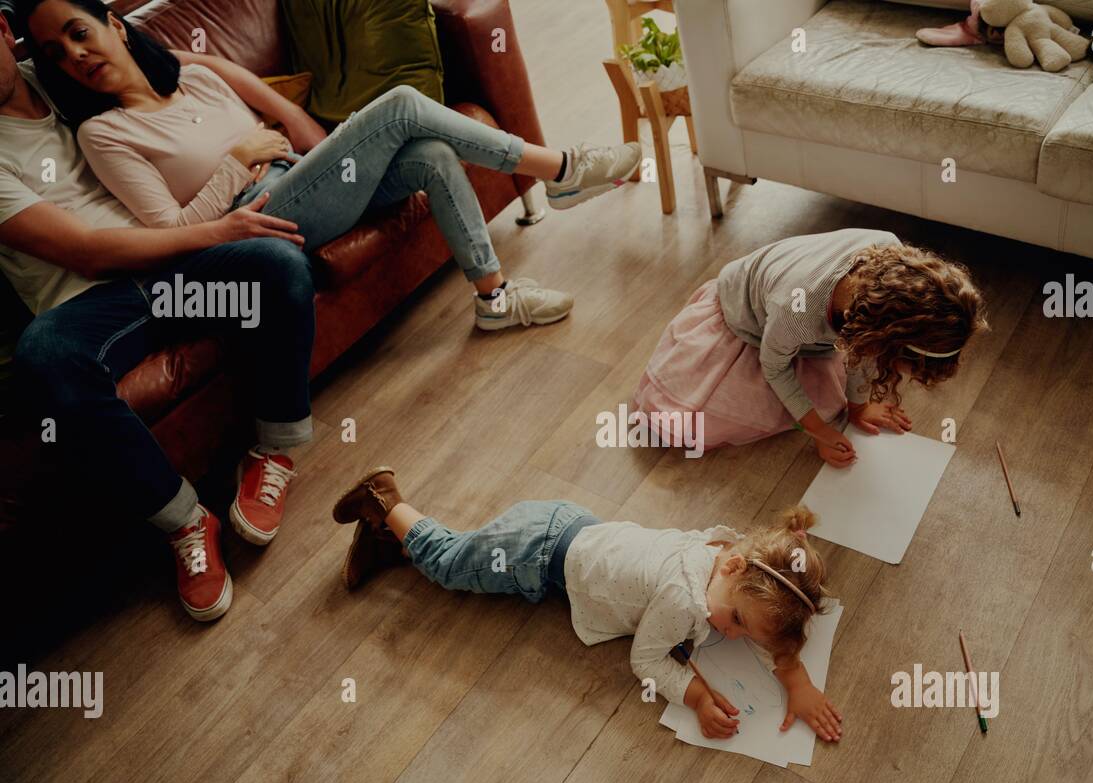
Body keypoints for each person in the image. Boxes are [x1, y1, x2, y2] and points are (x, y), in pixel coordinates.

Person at [21, 0, 643, 332]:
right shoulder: (105, 132)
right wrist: (235, 163)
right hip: (258, 220)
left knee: (426, 153)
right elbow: (166, 233)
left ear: (113, 25)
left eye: (80, 32)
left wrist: (333, 152)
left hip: (303, 179)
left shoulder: (194, 72)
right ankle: (557, 168)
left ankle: (495, 298)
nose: (75, 55)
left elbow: (286, 122)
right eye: (56, 53)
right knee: (400, 106)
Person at [1, 9, 316, 620]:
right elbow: (85, 253)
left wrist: (290, 117)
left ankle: (273, 451)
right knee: (44, 358)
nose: (74, 53)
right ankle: (186, 523)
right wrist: (216, 229)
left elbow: (174, 65)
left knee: (279, 265)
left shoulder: (56, 65)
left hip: (176, 276)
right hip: (94, 300)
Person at [331, 468, 845, 742]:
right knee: (447, 564)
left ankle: (387, 539)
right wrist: (694, 696)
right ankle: (384, 500)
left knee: (453, 556)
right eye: (736, 622)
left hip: (569, 525)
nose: (730, 634)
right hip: (532, 555)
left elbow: (765, 617)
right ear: (735, 569)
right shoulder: (681, 597)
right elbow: (644, 661)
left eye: (743, 634)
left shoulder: (726, 553)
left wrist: (794, 679)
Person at [634, 228, 988, 464]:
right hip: (746, 321)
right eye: (899, 366)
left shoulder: (888, 254)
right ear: (882, 340)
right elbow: (774, 366)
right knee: (695, 421)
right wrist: (818, 431)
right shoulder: (795, 308)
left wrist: (857, 408)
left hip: (814, 331)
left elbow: (864, 353)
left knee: (829, 399)